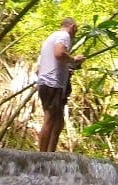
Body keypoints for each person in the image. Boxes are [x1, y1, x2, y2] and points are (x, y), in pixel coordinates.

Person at [36, 17, 83, 152]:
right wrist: (74, 59)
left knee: (58, 121)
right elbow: (59, 53)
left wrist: (66, 71)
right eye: (76, 31)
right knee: (50, 119)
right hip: (53, 83)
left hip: (47, 82)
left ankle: (50, 153)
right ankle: (42, 156)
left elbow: (38, 69)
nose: (75, 34)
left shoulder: (50, 39)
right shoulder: (64, 36)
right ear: (72, 27)